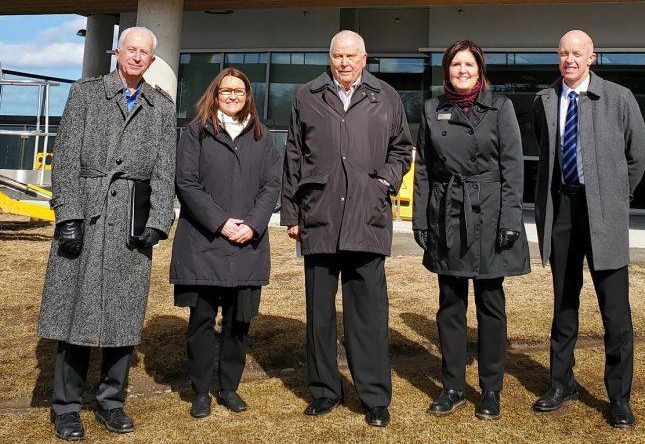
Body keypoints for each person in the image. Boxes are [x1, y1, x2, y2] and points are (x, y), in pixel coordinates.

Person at [38, 26, 176, 441]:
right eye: (131, 49)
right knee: (75, 316)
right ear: (118, 52)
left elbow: (166, 168)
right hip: (86, 216)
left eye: (144, 53)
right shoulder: (85, 94)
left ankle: (112, 403)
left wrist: (157, 221)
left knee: (122, 316)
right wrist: (68, 215)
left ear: (151, 61)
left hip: (130, 225)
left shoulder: (161, 106)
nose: (137, 57)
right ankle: (66, 407)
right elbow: (63, 160)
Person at [280, 30, 412, 427]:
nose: (344, 62)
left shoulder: (386, 96)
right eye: (338, 55)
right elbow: (293, 153)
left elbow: (402, 149)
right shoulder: (307, 95)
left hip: (366, 217)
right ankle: (323, 390)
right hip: (319, 215)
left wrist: (385, 182)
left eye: (351, 55)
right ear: (330, 57)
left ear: (365, 57)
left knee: (368, 314)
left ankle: (374, 396)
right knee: (319, 313)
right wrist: (290, 214)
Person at [532, 30, 645, 428]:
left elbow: (639, 155)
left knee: (615, 312)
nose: (570, 59)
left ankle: (619, 396)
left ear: (592, 58)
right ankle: (561, 383)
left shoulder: (618, 98)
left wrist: (615, 197)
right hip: (562, 209)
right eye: (563, 53)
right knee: (564, 305)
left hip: (604, 213)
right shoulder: (545, 100)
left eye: (577, 53)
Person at [412, 40, 530, 420]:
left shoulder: (500, 107)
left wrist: (511, 219)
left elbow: (513, 167)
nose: (462, 70)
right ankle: (452, 387)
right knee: (450, 305)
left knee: (491, 304)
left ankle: (491, 388)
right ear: (446, 70)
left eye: (469, 64)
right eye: (455, 65)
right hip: (446, 212)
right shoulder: (432, 110)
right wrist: (420, 220)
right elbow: (425, 169)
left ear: (480, 70)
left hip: (492, 212)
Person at [170, 67, 280, 418]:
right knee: (201, 321)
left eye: (240, 91)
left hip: (247, 243)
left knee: (239, 322)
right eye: (226, 91)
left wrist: (252, 224)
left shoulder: (262, 138)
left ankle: (229, 387)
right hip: (204, 244)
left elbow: (272, 186)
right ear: (214, 95)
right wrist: (220, 223)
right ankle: (201, 391)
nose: (233, 96)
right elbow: (186, 183)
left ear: (248, 97)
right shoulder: (195, 132)